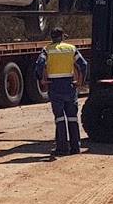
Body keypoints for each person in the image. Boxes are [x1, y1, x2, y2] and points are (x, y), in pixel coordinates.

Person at [36, 28, 88, 157]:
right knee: (72, 117)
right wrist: (80, 80)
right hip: (69, 85)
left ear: (52, 38)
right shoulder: (71, 48)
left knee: (59, 118)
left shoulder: (47, 50)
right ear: (63, 37)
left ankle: (62, 148)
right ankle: (75, 147)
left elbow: (39, 64)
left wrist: (41, 79)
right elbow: (83, 64)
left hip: (54, 86)